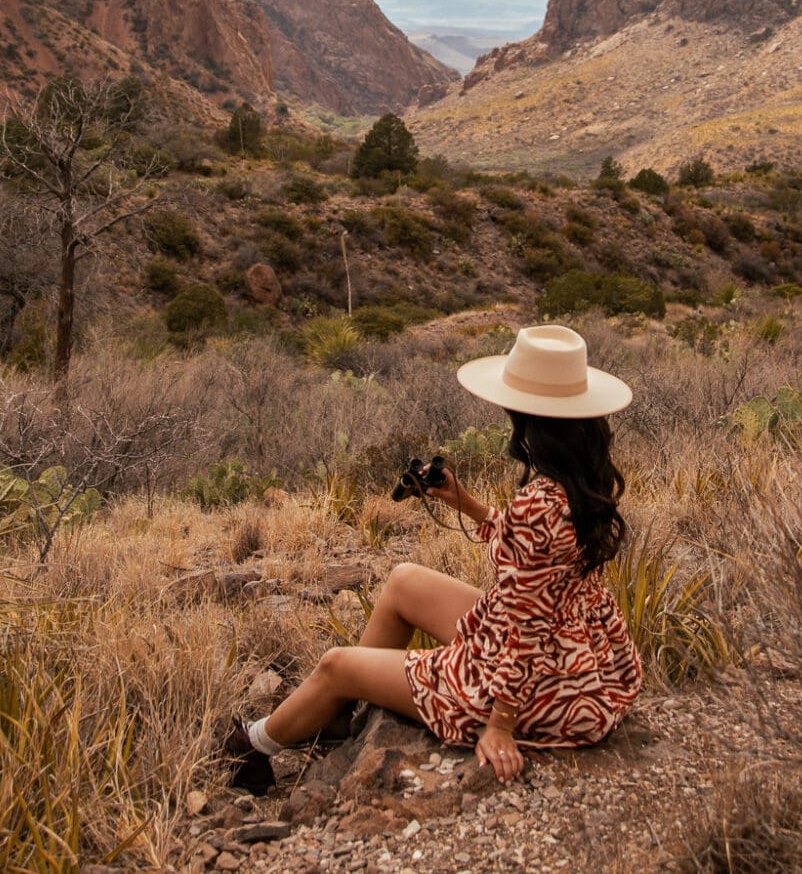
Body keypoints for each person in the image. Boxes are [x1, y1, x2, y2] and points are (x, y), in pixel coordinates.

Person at [221, 324, 644, 793]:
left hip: (539, 685)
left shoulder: (539, 503)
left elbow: (526, 628)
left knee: (336, 665)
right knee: (403, 580)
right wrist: (465, 503)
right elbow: (539, 559)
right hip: (580, 657)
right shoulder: (585, 475)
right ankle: (341, 715)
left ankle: (254, 748)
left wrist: (500, 724)